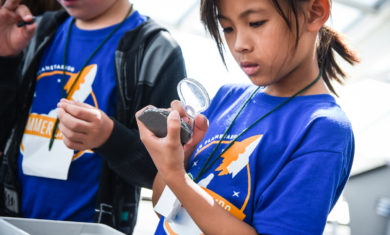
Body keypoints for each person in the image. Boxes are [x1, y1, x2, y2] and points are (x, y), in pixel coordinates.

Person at [135, 0, 360, 234]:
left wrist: (176, 176)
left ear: (314, 13)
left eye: (256, 23)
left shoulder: (323, 128)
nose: (239, 45)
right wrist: (177, 157)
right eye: (228, 29)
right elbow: (164, 210)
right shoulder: (226, 98)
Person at [0, 0, 186, 234]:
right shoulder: (36, 33)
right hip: (12, 223)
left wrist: (110, 138)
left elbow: (166, 172)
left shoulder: (154, 50)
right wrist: (5, 59)